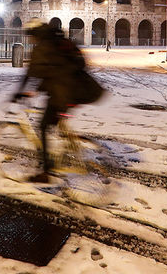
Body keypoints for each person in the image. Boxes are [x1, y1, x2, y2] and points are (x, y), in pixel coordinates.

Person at [12, 21, 103, 183]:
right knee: (57, 120)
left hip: (63, 94)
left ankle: (46, 172)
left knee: (43, 126)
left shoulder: (41, 48)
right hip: (78, 90)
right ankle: (69, 142)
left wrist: (18, 93)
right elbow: (57, 69)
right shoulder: (59, 42)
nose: (31, 40)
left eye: (31, 37)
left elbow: (30, 74)